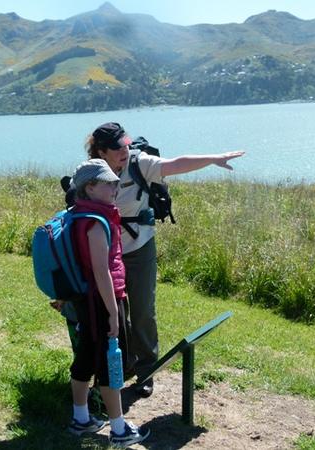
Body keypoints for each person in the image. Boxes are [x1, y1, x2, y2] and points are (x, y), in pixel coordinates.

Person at [85, 122, 245, 397]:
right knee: (115, 313)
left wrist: (213, 159)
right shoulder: (91, 174)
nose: (124, 151)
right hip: (107, 253)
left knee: (144, 310)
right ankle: (121, 366)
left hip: (140, 248)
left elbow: (175, 164)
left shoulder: (139, 163)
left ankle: (146, 370)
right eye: (117, 148)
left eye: (126, 144)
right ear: (101, 151)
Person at [67, 158, 150, 447]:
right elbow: (101, 271)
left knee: (87, 356)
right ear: (90, 188)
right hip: (104, 300)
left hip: (85, 300)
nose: (115, 186)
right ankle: (118, 430)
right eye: (108, 183)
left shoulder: (77, 214)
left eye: (116, 181)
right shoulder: (97, 223)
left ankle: (81, 418)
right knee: (110, 365)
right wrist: (114, 313)